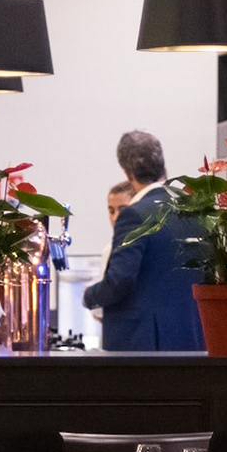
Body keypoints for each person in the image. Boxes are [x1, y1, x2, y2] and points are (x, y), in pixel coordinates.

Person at [83, 130, 202, 351]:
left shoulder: (134, 215)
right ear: (162, 165)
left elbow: (120, 281)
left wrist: (89, 296)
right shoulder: (193, 213)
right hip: (191, 339)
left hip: (142, 345)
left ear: (127, 173)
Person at [90, 180, 137, 323]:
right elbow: (98, 310)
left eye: (123, 210)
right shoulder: (109, 250)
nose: (116, 217)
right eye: (111, 211)